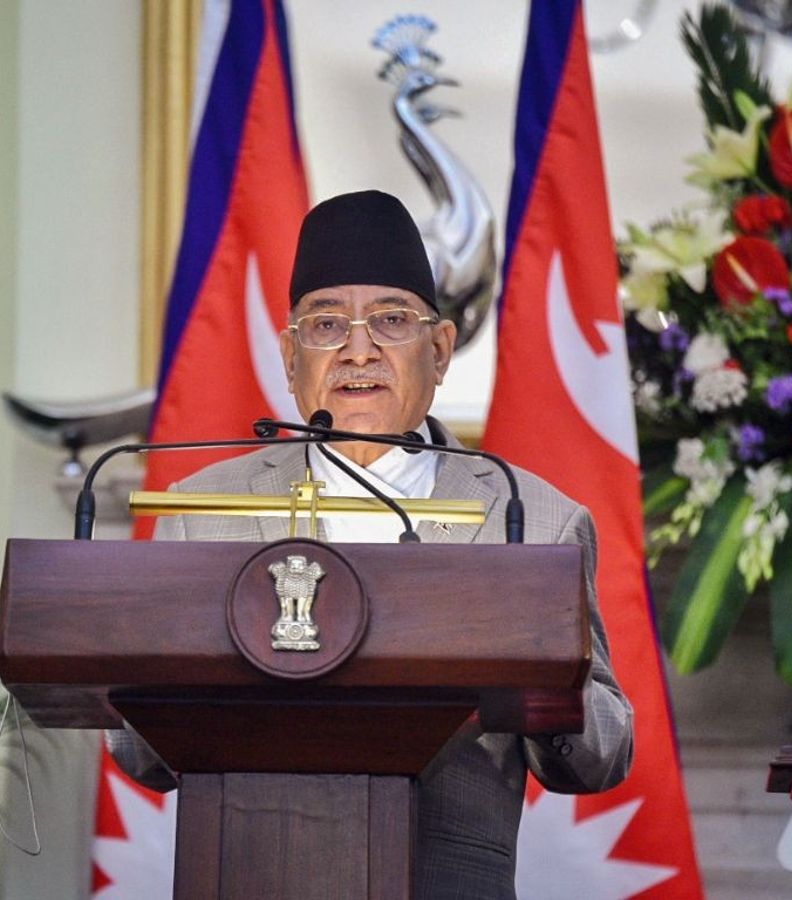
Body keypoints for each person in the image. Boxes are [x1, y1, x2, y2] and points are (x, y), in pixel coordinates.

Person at [108, 190, 633, 898]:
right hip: (246, 870)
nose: (359, 349)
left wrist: (538, 679)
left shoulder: (533, 518)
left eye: (391, 320)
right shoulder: (202, 511)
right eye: (326, 324)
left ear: (440, 350)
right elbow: (139, 755)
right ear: (292, 358)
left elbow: (601, 757)